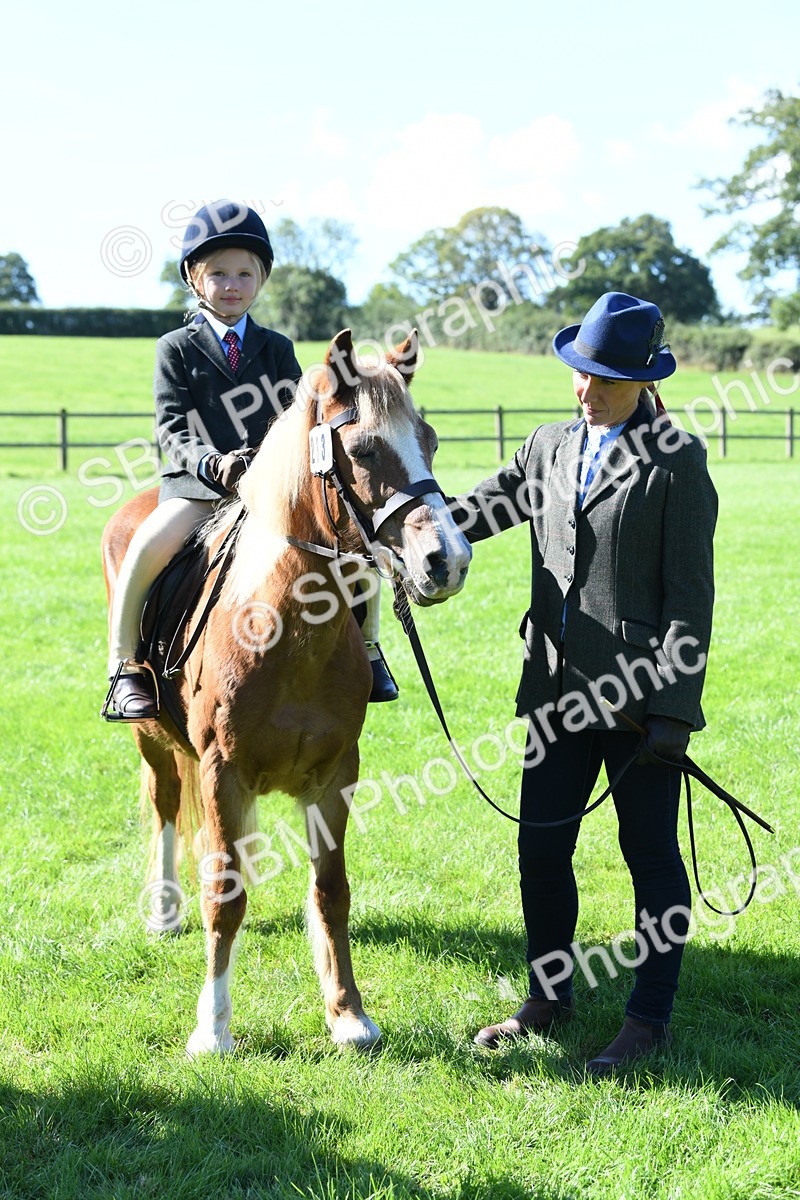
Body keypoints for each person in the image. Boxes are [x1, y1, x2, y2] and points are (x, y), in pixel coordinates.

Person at [451, 292, 718, 1075]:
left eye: (604, 378)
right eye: (579, 373)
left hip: (638, 705)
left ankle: (647, 1017)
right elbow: (484, 509)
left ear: (643, 380)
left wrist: (675, 711)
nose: (586, 390)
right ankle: (547, 995)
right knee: (541, 850)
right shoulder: (545, 446)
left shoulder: (677, 461)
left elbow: (691, 598)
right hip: (552, 691)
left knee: (649, 854)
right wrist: (415, 532)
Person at [103, 200, 398, 721]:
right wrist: (213, 464)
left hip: (269, 490)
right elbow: (172, 428)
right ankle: (125, 667)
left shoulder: (276, 347)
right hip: (199, 490)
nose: (232, 284)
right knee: (145, 548)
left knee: (356, 551)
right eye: (218, 274)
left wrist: (273, 470)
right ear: (196, 278)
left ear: (261, 280)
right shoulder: (175, 348)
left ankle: (369, 651)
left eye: (244, 273)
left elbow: (295, 420)